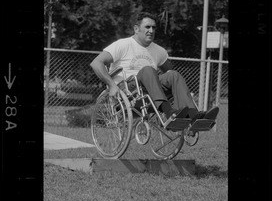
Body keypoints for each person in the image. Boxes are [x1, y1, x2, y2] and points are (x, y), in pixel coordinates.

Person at [90, 12, 219, 123]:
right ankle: (169, 112)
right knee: (148, 70)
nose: (151, 31)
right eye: (147, 27)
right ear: (136, 29)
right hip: (129, 91)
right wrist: (112, 85)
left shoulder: (159, 51)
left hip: (150, 91)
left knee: (173, 74)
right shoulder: (122, 45)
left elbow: (168, 73)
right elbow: (96, 63)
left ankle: (193, 115)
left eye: (153, 28)